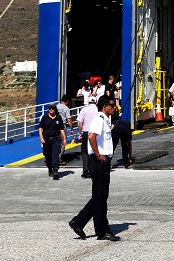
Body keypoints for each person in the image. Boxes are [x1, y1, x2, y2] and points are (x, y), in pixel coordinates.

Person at [69, 97, 121, 241]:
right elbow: (91, 137)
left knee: (100, 195)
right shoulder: (99, 119)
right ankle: (102, 231)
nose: (115, 107)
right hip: (99, 161)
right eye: (112, 105)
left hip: (102, 160)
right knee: (100, 196)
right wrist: (98, 154)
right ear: (105, 106)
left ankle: (78, 222)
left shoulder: (105, 119)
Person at [38, 104, 66, 180]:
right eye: (50, 108)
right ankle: (50, 168)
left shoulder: (58, 118)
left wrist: (64, 139)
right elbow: (40, 128)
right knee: (48, 155)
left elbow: (61, 129)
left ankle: (55, 170)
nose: (51, 110)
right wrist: (41, 138)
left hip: (56, 139)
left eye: (52, 108)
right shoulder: (45, 118)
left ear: (55, 109)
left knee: (55, 154)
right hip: (46, 139)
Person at [77, 98, 98, 179]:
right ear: (96, 102)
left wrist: (80, 133)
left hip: (86, 132)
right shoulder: (98, 110)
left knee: (84, 151)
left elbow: (80, 123)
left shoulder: (84, 109)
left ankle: (86, 171)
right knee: (95, 150)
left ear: (88, 102)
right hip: (96, 133)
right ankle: (95, 169)